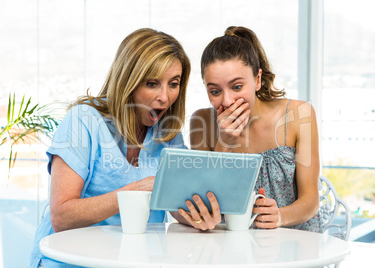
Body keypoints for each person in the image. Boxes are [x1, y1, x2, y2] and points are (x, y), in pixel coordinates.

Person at [30, 28, 191, 267]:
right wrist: (136, 191)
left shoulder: (168, 135)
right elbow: (61, 217)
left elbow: (182, 204)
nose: (165, 97)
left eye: (174, 84)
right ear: (129, 81)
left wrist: (196, 215)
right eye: (152, 83)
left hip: (133, 261)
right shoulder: (83, 120)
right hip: (69, 261)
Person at [174, 26, 322, 232]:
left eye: (236, 87)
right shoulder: (202, 121)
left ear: (257, 80)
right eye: (215, 91)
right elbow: (204, 202)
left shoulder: (300, 114)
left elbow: (311, 200)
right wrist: (224, 142)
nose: (227, 101)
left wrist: (279, 216)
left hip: (295, 239)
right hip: (233, 244)